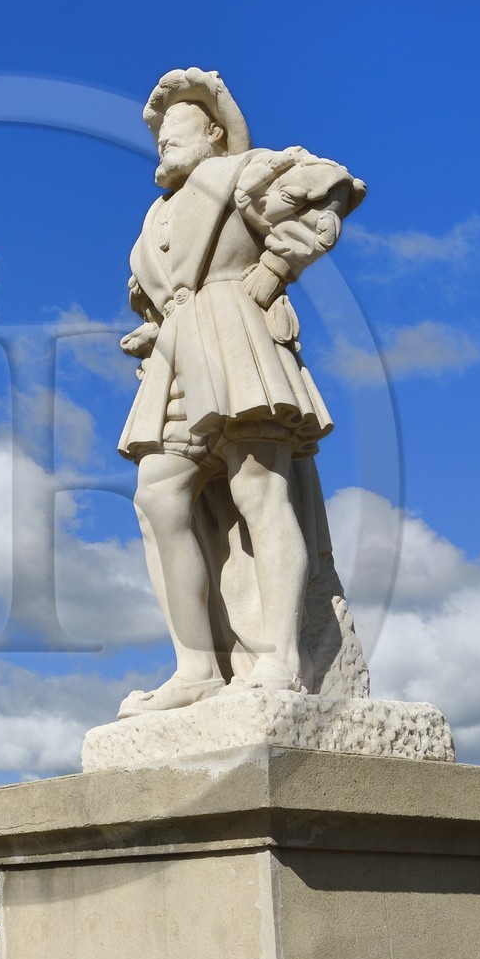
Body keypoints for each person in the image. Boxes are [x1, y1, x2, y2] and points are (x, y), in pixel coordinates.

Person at [116, 68, 367, 717]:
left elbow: (331, 188)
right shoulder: (153, 216)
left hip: (235, 334)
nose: (164, 146)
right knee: (158, 494)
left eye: (178, 134)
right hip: (176, 356)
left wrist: (274, 270)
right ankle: (197, 665)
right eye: (160, 138)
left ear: (215, 134)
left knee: (260, 487)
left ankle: (281, 656)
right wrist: (151, 333)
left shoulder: (240, 173)